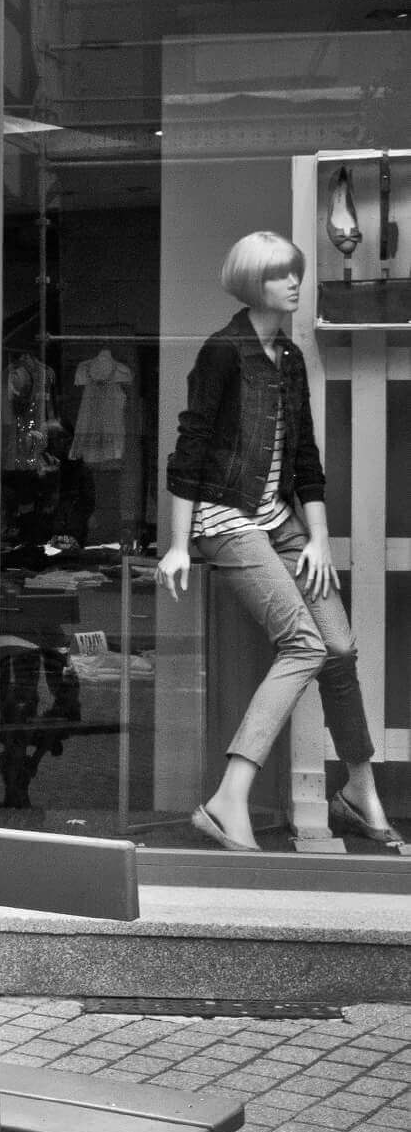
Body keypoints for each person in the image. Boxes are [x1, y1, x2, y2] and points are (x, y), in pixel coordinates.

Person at [156, 230, 399, 853]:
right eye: (279, 276)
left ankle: (357, 791)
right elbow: (188, 451)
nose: (294, 283)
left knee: (339, 648)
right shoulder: (221, 353)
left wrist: (317, 537)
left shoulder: (288, 357)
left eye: (295, 272)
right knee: (302, 644)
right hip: (224, 516)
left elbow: (307, 458)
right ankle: (228, 797)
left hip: (277, 518)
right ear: (251, 285)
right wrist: (180, 543)